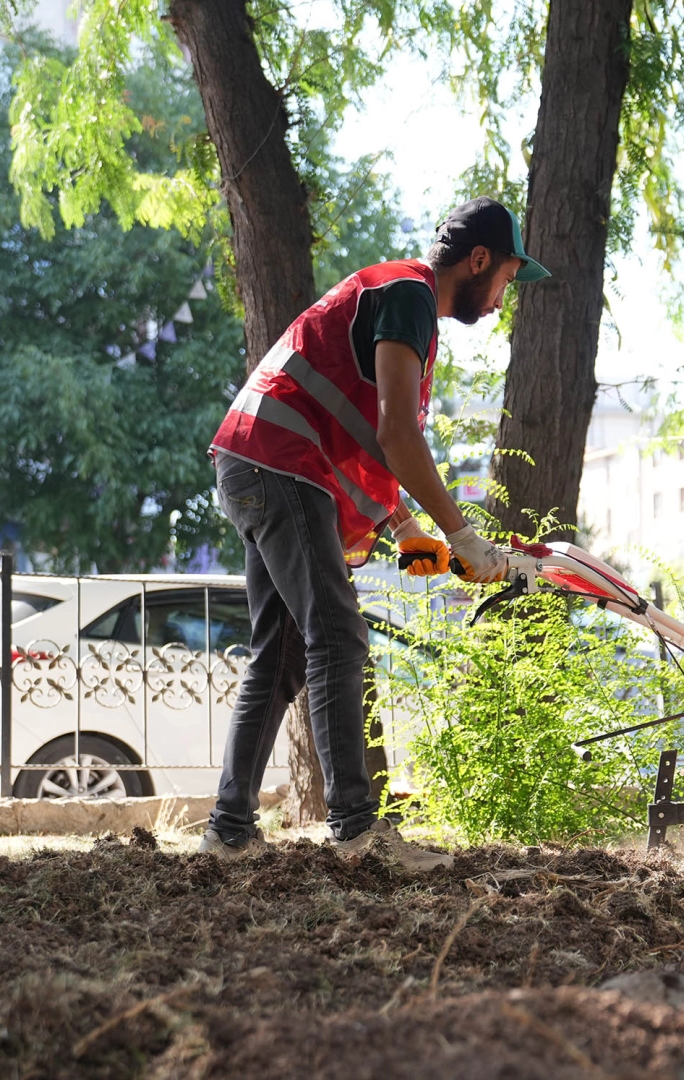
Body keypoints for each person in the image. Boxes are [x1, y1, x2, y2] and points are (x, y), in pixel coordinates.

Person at [199, 198, 549, 871]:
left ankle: (229, 828)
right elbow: (395, 431)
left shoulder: (403, 302)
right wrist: (462, 533)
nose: (504, 298)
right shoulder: (409, 294)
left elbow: (363, 426)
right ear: (477, 261)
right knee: (336, 634)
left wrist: (409, 525)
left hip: (255, 461)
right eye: (506, 277)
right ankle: (359, 833)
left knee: (280, 655)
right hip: (280, 463)